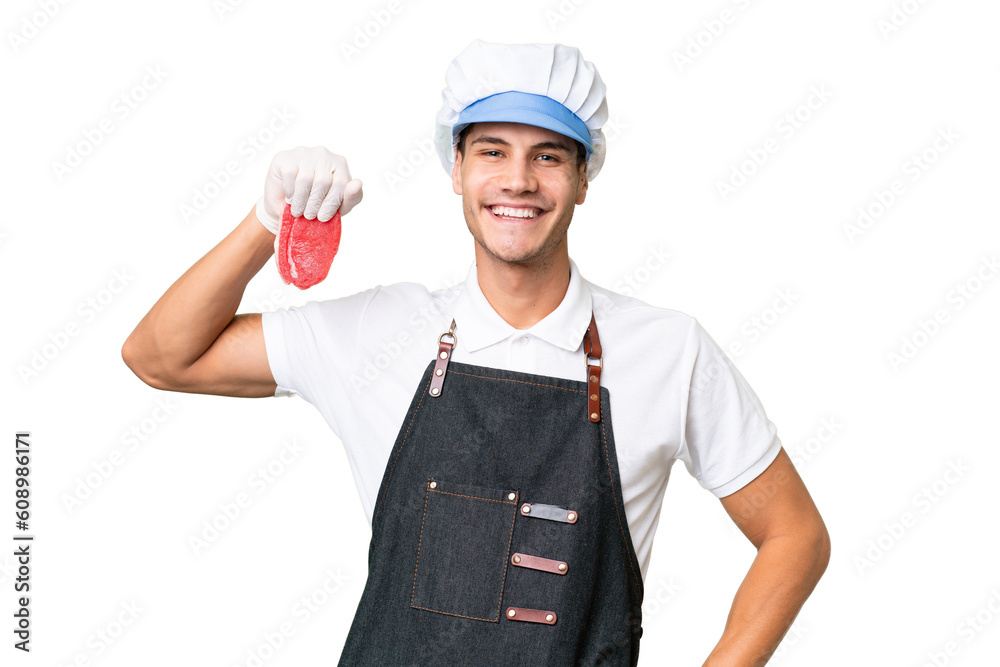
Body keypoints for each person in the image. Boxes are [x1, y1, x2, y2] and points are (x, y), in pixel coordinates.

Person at [122, 39, 830, 666]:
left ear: (584, 178)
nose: (518, 180)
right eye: (492, 150)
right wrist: (263, 222)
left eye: (547, 155)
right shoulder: (380, 331)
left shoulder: (667, 351)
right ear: (456, 169)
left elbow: (795, 534)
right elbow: (160, 355)